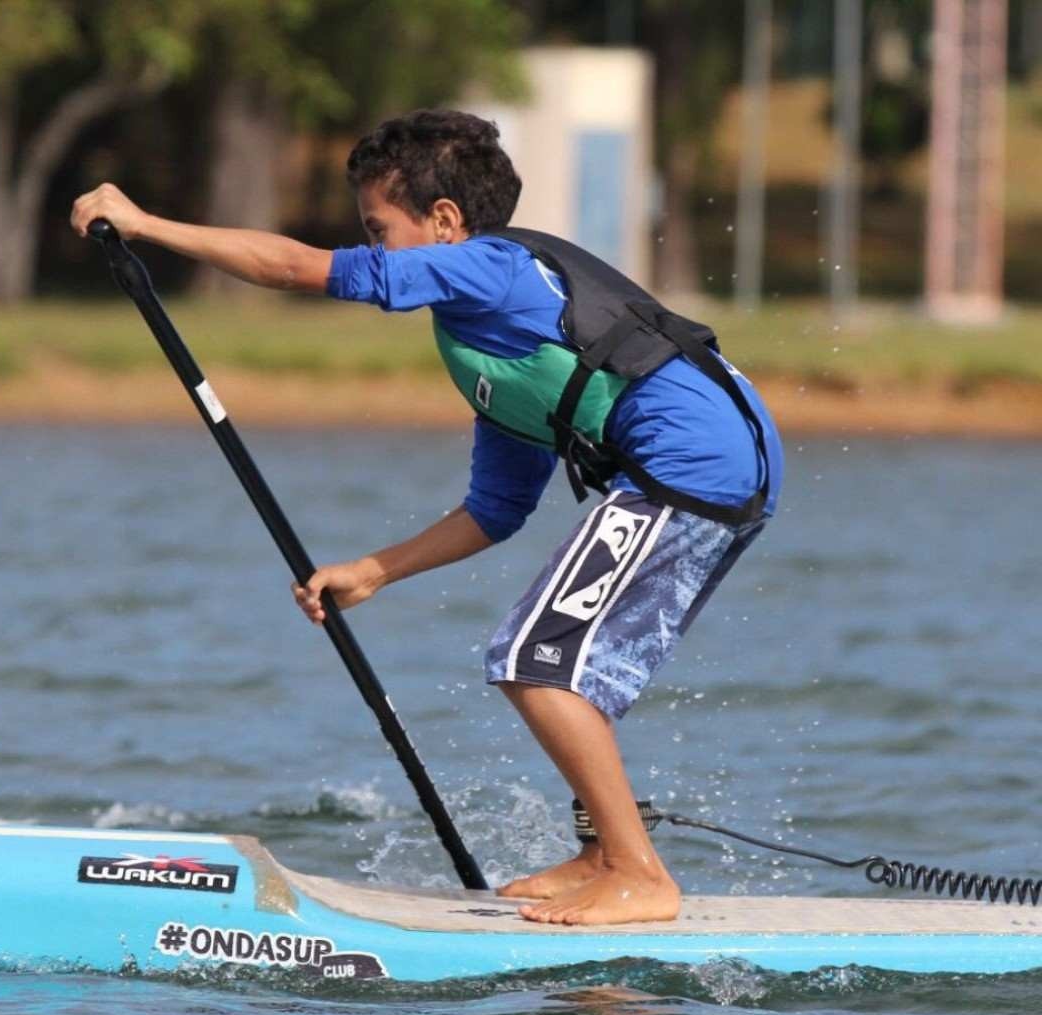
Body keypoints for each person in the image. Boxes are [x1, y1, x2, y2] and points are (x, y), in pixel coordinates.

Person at [70, 108, 783, 926]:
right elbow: (497, 508)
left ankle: (639, 874)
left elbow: (300, 268)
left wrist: (145, 224)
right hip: (710, 464)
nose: (372, 247)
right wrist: (374, 570)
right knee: (566, 666)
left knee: (533, 657)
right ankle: (601, 854)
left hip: (694, 464)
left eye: (380, 229)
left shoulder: (490, 268)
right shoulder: (488, 341)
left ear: (444, 222)